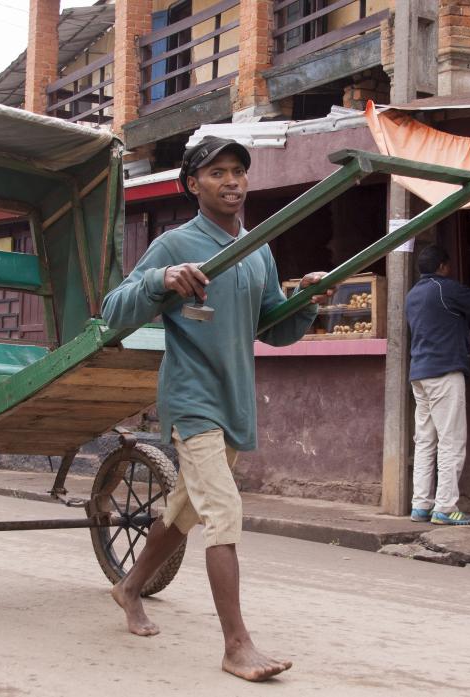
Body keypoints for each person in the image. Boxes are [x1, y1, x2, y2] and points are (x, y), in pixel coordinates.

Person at [101, 136, 332, 682]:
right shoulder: (175, 243)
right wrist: (162, 280)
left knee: (182, 513)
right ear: (193, 185)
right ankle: (236, 645)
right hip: (192, 399)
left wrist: (307, 301)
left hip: (235, 401)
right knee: (223, 513)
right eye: (217, 173)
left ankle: (129, 587)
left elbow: (272, 327)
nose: (231, 181)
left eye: (238, 171)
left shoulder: (260, 248)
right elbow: (113, 311)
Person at [405, 245, 470, 526]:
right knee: (451, 441)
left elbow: (446, 320)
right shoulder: (445, 289)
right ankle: (445, 507)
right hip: (444, 372)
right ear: (443, 266)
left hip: (419, 373)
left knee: (425, 441)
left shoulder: (413, 295)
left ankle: (420, 505)